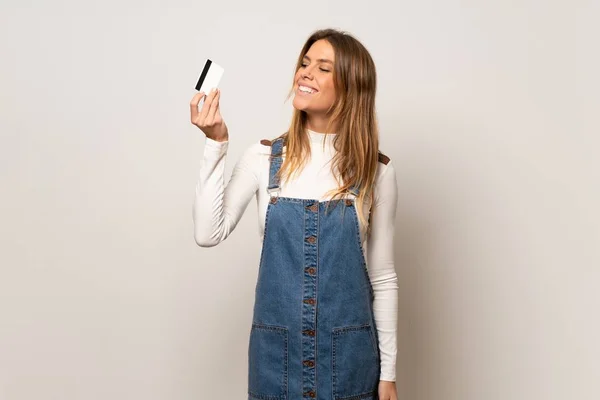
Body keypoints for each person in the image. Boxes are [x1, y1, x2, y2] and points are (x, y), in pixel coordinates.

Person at [190, 28, 399, 400]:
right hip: (276, 359)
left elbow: (382, 278)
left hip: (349, 361)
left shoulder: (376, 172)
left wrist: (388, 376)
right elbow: (209, 233)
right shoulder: (264, 158)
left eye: (322, 68)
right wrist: (215, 142)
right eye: (304, 64)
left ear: (352, 86)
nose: (305, 73)